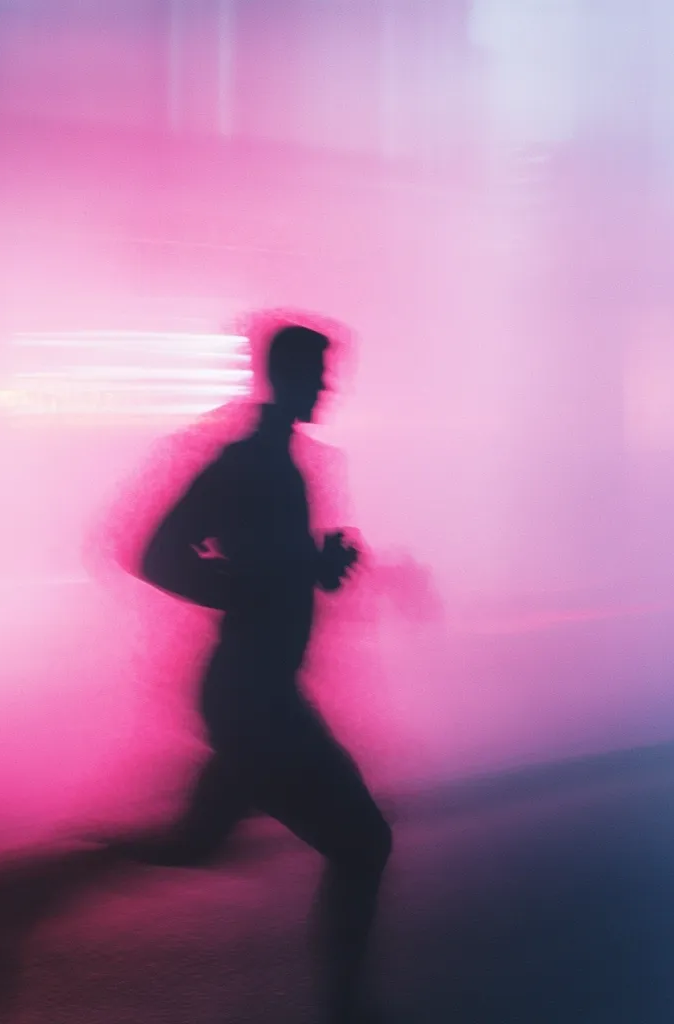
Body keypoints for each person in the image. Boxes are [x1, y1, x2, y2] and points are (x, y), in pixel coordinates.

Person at [127, 323, 393, 1024]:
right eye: (319, 373)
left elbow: (275, 570)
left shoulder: (284, 463)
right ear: (287, 377)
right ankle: (346, 1010)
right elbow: (150, 553)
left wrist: (315, 571)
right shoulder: (244, 464)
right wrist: (246, 588)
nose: (329, 386)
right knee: (363, 841)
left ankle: (38, 883)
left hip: (259, 692)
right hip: (255, 699)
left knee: (192, 848)